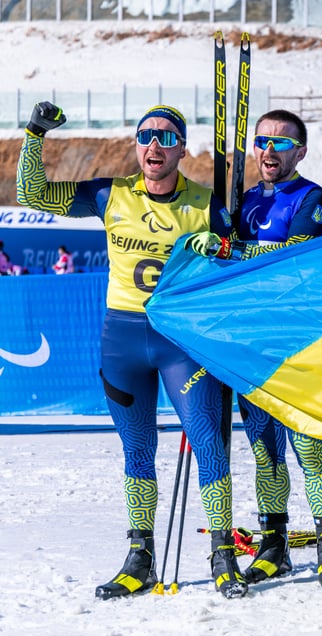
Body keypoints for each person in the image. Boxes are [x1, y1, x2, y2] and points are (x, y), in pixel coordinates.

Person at [15, 103, 247, 598]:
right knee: (137, 450)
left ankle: (224, 553)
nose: (155, 145)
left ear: (183, 148)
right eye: (146, 136)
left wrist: (221, 248)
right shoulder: (109, 194)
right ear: (136, 146)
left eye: (167, 137)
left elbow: (239, 259)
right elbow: (31, 193)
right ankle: (139, 556)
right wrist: (35, 134)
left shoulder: (206, 204)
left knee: (208, 442)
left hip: (180, 341)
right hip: (121, 339)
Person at [183, 109, 322, 587]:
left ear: (300, 151)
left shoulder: (316, 199)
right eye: (263, 142)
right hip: (250, 342)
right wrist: (217, 240)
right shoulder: (245, 202)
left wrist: (232, 249)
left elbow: (294, 250)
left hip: (297, 340)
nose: (270, 151)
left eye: (281, 143)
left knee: (308, 446)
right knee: (265, 451)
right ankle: (274, 546)